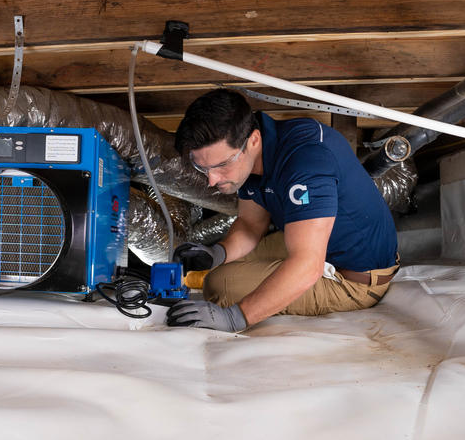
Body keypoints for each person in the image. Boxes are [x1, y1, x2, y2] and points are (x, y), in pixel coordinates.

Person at [166, 89, 398, 332]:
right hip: (320, 245)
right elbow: (250, 225)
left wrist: (235, 317)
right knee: (215, 267)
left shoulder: (305, 162)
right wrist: (216, 254)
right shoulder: (255, 154)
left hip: (356, 278)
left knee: (219, 284)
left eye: (222, 165)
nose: (212, 180)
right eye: (202, 167)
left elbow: (307, 265)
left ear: (253, 141)